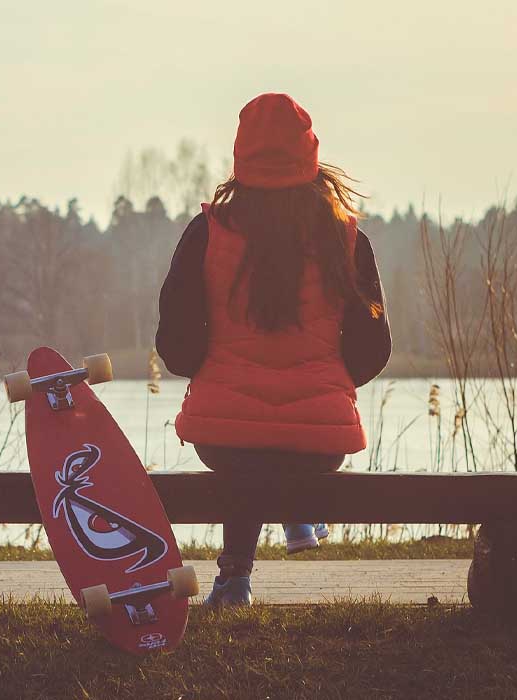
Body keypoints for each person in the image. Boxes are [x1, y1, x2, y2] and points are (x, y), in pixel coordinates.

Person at [155, 93, 391, 606]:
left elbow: (175, 348)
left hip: (223, 435)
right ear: (310, 159)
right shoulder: (348, 240)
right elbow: (374, 351)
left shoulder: (207, 234)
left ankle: (236, 577)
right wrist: (326, 380)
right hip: (320, 439)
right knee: (282, 446)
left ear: (241, 161)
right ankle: (297, 509)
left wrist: (213, 369)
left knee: (250, 448)